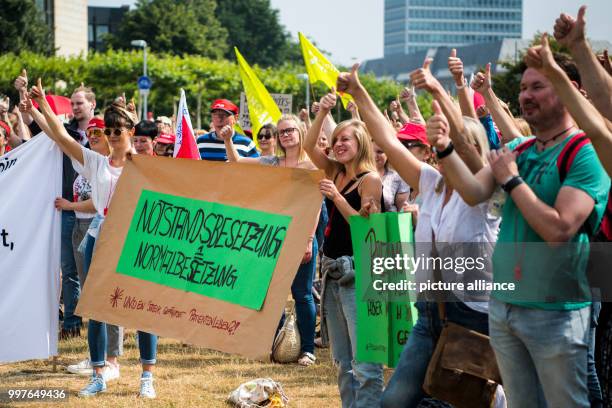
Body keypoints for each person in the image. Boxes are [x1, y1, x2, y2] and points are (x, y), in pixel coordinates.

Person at [430, 45, 610, 407]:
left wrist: (512, 181)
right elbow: (472, 191)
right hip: (505, 306)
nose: (526, 95)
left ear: (567, 92)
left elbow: (559, 231)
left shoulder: (586, 152)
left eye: (538, 86)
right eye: (524, 87)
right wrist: (445, 148)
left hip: (555, 311)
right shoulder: (521, 146)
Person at [24, 80, 159, 398]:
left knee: (143, 309)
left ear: (130, 130)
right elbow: (60, 136)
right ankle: (99, 373)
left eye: (118, 130)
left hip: (136, 240)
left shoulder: (146, 166)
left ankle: (147, 377)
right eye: (108, 131)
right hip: (101, 236)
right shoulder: (97, 162)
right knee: (97, 308)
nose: (112, 135)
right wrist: (43, 102)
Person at [304, 88, 384, 408]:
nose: (337, 145)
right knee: (341, 360)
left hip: (358, 272)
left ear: (360, 143)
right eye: (336, 140)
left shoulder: (370, 179)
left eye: (345, 140)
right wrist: (323, 113)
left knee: (365, 361)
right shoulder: (336, 171)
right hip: (332, 269)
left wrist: (336, 198)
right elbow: (310, 145)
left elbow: (366, 229)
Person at [223, 115, 319, 366]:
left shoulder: (310, 167)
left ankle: (308, 350)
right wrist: (228, 139)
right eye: (282, 131)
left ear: (300, 132)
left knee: (302, 294)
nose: (285, 134)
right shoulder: (271, 162)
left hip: (301, 235)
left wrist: (309, 239)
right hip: (274, 236)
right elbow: (237, 162)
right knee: (271, 294)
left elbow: (316, 206)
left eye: (290, 130)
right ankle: (279, 345)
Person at [373, 142, 409, 212]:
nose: (374, 155)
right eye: (370, 152)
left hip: (389, 221)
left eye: (380, 152)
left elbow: (402, 211)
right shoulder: (358, 176)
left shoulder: (397, 177)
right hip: (362, 222)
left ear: (388, 154)